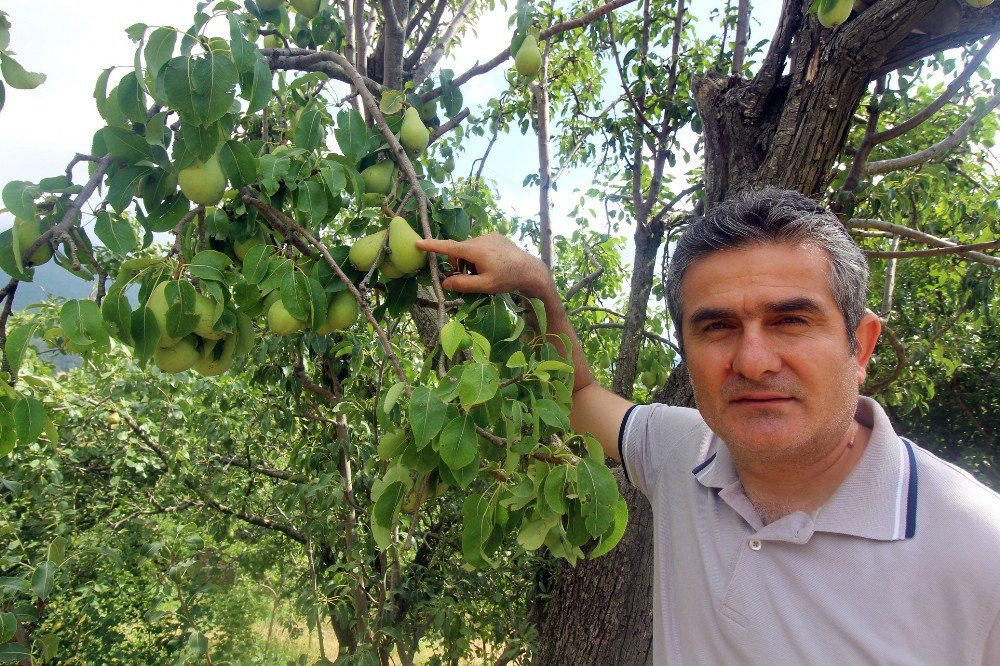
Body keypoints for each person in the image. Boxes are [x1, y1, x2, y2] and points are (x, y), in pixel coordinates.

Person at [416, 188, 1000, 664]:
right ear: (686, 349)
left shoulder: (978, 549)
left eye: (792, 321)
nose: (753, 361)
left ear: (861, 344)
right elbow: (579, 395)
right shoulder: (682, 451)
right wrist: (537, 284)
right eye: (717, 328)